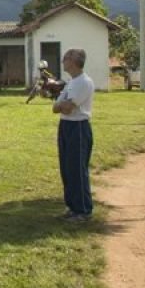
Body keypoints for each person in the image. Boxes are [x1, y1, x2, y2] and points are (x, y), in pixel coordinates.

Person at [54, 48, 95, 223]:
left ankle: (83, 210)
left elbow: (69, 108)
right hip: (66, 126)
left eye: (66, 58)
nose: (63, 60)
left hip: (78, 127)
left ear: (75, 61)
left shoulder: (84, 82)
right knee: (67, 168)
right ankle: (72, 206)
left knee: (77, 169)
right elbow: (56, 107)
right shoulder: (72, 82)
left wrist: (63, 104)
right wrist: (62, 104)